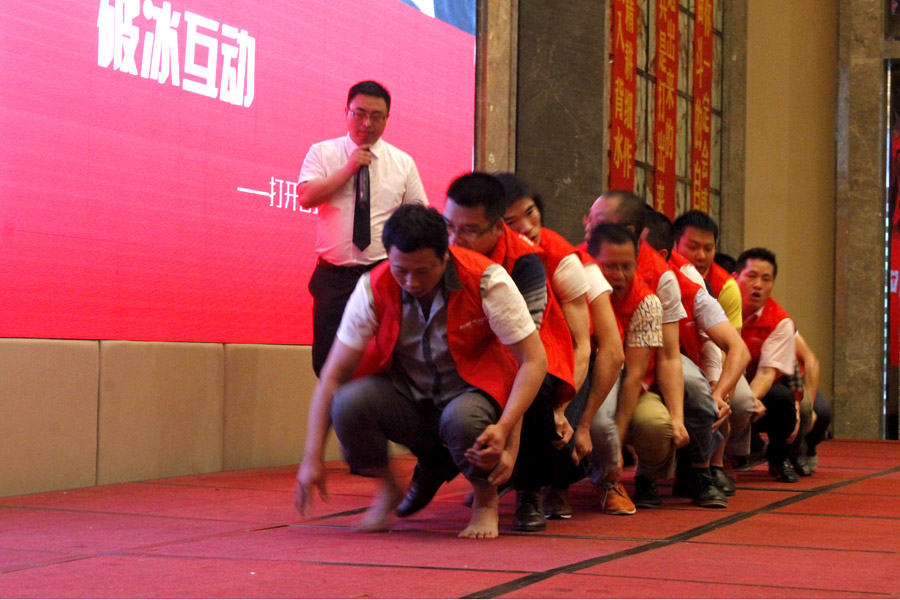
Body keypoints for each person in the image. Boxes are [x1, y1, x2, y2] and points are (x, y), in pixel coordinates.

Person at [294, 204, 548, 539]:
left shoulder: (487, 280)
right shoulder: (372, 286)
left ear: (446, 255)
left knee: (464, 419)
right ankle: (388, 488)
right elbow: (333, 377)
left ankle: (485, 502)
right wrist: (312, 457)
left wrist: (506, 432)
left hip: (469, 398)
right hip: (409, 400)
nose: (411, 282)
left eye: (423, 272)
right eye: (401, 270)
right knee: (349, 403)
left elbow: (533, 361)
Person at [438, 172, 577, 532]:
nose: (455, 239)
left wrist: (511, 447)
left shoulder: (526, 261)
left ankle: (529, 487)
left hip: (530, 353)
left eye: (469, 230)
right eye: (449, 226)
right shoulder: (439, 253)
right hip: (474, 350)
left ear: (498, 227)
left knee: (535, 394)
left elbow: (522, 359)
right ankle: (434, 468)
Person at [498, 172, 624, 519]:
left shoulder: (566, 262)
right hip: (521, 357)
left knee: (554, 427)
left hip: (570, 364)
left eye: (531, 213)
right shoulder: (491, 256)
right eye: (511, 221)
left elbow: (584, 346)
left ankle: (551, 486)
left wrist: (563, 409)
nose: (526, 227)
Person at [585, 192, 719, 509]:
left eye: (598, 220)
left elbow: (669, 355)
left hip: (643, 364)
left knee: (670, 414)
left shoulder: (660, 278)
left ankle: (687, 472)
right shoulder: (577, 261)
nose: (588, 224)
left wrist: (677, 417)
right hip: (588, 364)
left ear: (629, 230)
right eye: (589, 217)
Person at [298, 80, 428, 376]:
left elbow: (418, 215)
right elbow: (306, 197)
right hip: (334, 277)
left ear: (387, 119)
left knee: (386, 361)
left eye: (376, 116)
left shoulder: (402, 163)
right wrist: (349, 169)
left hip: (383, 275)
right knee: (327, 363)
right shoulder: (322, 153)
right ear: (346, 111)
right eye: (359, 113)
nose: (367, 123)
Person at [642, 211, 751, 505]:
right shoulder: (605, 271)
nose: (701, 256)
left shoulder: (692, 281)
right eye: (693, 247)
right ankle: (640, 477)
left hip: (681, 357)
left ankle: (703, 470)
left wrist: (718, 392)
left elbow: (728, 346)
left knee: (711, 395)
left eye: (708, 248)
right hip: (631, 359)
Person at [585, 223, 663, 514]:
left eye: (626, 266)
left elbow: (633, 376)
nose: (619, 275)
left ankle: (611, 480)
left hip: (620, 372)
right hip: (577, 364)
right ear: (592, 263)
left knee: (602, 423)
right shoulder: (574, 278)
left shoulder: (647, 303)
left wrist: (615, 443)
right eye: (609, 267)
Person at [733, 247, 801, 482]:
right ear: (735, 278)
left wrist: (746, 401)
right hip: (722, 382)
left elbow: (766, 374)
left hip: (759, 391)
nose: (758, 285)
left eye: (766, 279)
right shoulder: (717, 306)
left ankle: (778, 458)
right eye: (751, 276)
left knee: (783, 399)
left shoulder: (780, 321)